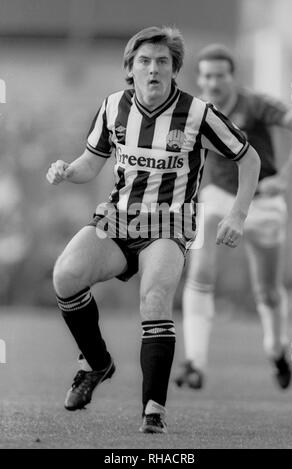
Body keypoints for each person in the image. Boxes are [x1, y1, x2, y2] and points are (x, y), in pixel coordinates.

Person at [46, 28, 260, 434]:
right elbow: (91, 163)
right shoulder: (112, 107)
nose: (153, 69)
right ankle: (96, 363)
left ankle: (153, 409)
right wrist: (65, 171)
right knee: (65, 276)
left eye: (163, 61)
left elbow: (248, 158)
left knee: (155, 297)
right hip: (118, 216)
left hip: (169, 221)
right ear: (130, 68)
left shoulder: (198, 113)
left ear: (174, 69)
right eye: (144, 61)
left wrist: (237, 215)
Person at [175, 44, 292, 391]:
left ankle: (276, 348)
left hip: (263, 204)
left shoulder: (256, 104)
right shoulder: (195, 111)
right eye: (206, 76)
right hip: (216, 198)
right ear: (198, 78)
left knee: (269, 291)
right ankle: (195, 362)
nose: (213, 82)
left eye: (220, 75)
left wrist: (286, 178)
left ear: (232, 77)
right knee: (199, 269)